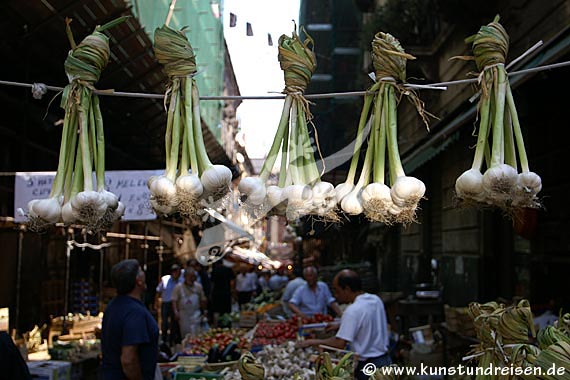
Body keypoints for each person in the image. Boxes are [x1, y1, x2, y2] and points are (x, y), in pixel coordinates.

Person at [298, 269, 391, 380]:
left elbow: (339, 343)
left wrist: (312, 342)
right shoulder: (375, 300)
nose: (336, 296)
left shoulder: (352, 310)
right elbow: (366, 321)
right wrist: (340, 325)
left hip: (367, 366)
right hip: (385, 361)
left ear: (347, 289)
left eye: (337, 291)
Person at [102, 259, 159, 380]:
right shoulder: (135, 313)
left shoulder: (113, 306)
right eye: (141, 270)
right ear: (138, 281)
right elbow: (128, 360)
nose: (144, 273)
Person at [172, 269, 207, 340]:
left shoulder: (198, 287)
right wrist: (176, 312)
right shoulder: (178, 287)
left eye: (193, 277)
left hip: (196, 313)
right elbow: (174, 301)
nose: (192, 279)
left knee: (196, 334)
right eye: (190, 277)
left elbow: (203, 300)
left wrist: (204, 311)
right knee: (185, 335)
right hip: (184, 314)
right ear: (185, 277)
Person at [155, 263, 183, 346]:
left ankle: (172, 340)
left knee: (174, 323)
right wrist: (156, 302)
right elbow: (158, 291)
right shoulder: (165, 279)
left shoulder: (181, 281)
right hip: (166, 303)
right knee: (164, 322)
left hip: (175, 303)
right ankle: (163, 339)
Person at [209, 260, 235, 326]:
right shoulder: (228, 269)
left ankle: (217, 326)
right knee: (227, 311)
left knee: (217, 311)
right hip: (226, 293)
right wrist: (232, 291)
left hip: (216, 294)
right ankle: (227, 325)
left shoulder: (214, 271)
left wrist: (211, 294)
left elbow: (212, 284)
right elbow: (232, 282)